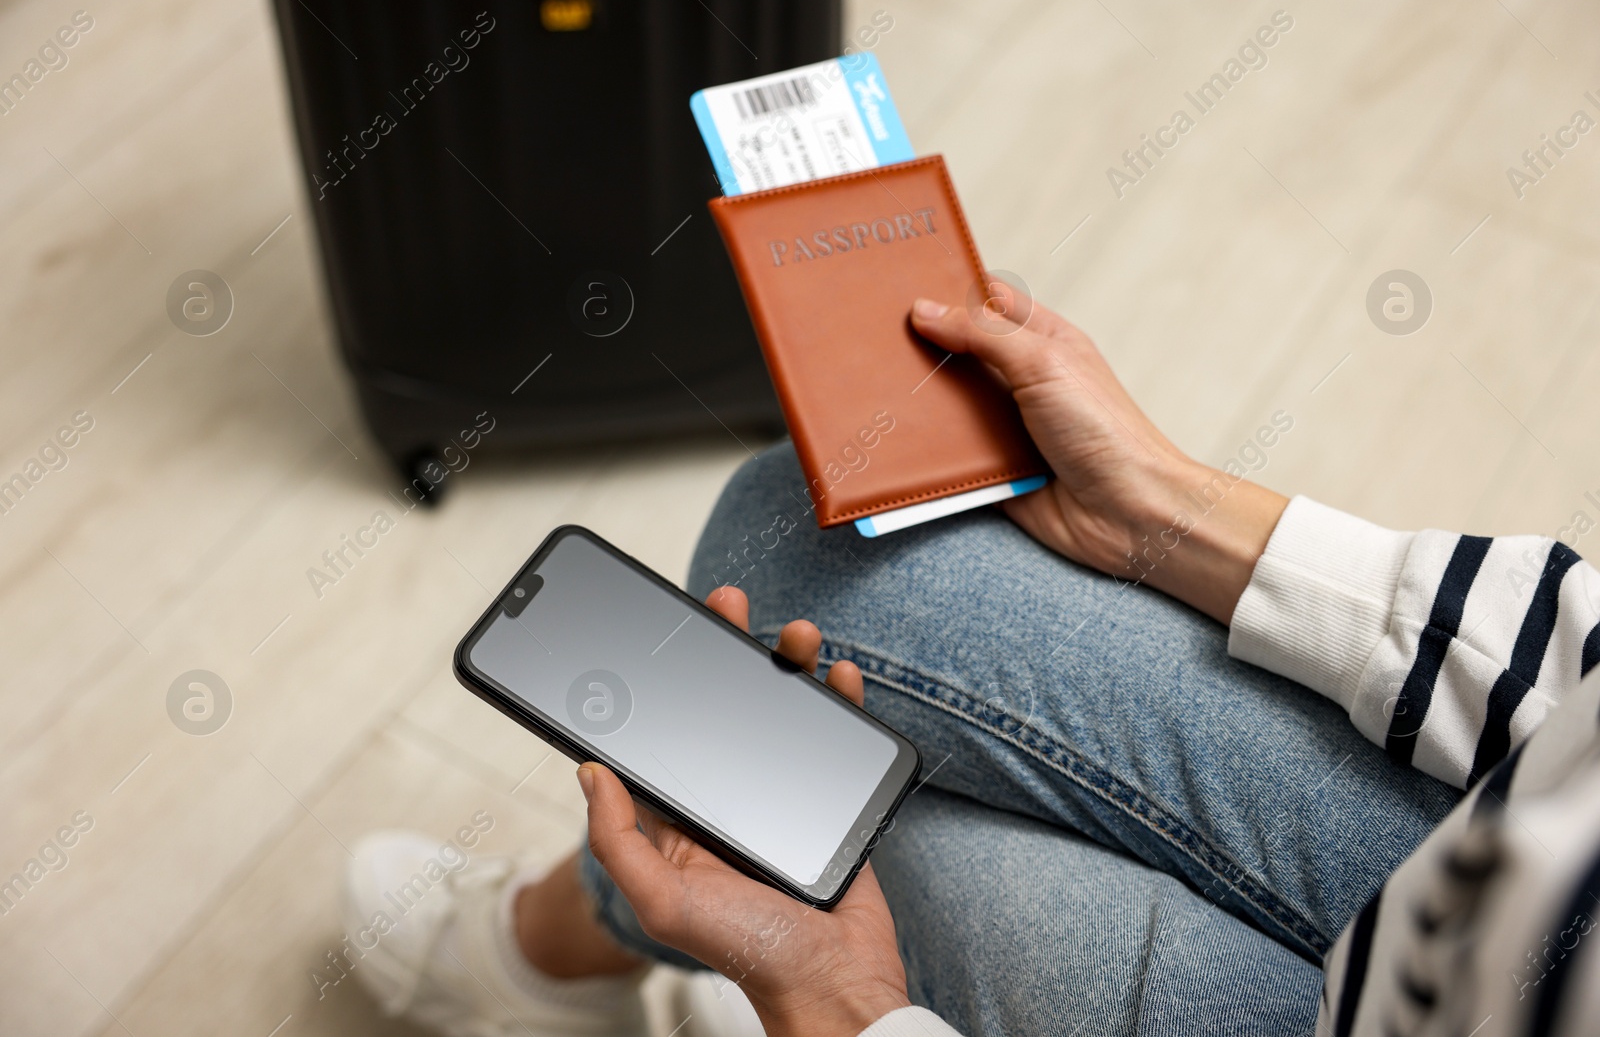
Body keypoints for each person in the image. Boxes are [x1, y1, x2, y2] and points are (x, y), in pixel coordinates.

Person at [341, 294, 1600, 1036]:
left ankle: (576, 945)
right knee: (804, 531)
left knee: (836, 823)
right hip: (1525, 833)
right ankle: (634, 940)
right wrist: (1165, 509)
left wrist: (845, 1009)